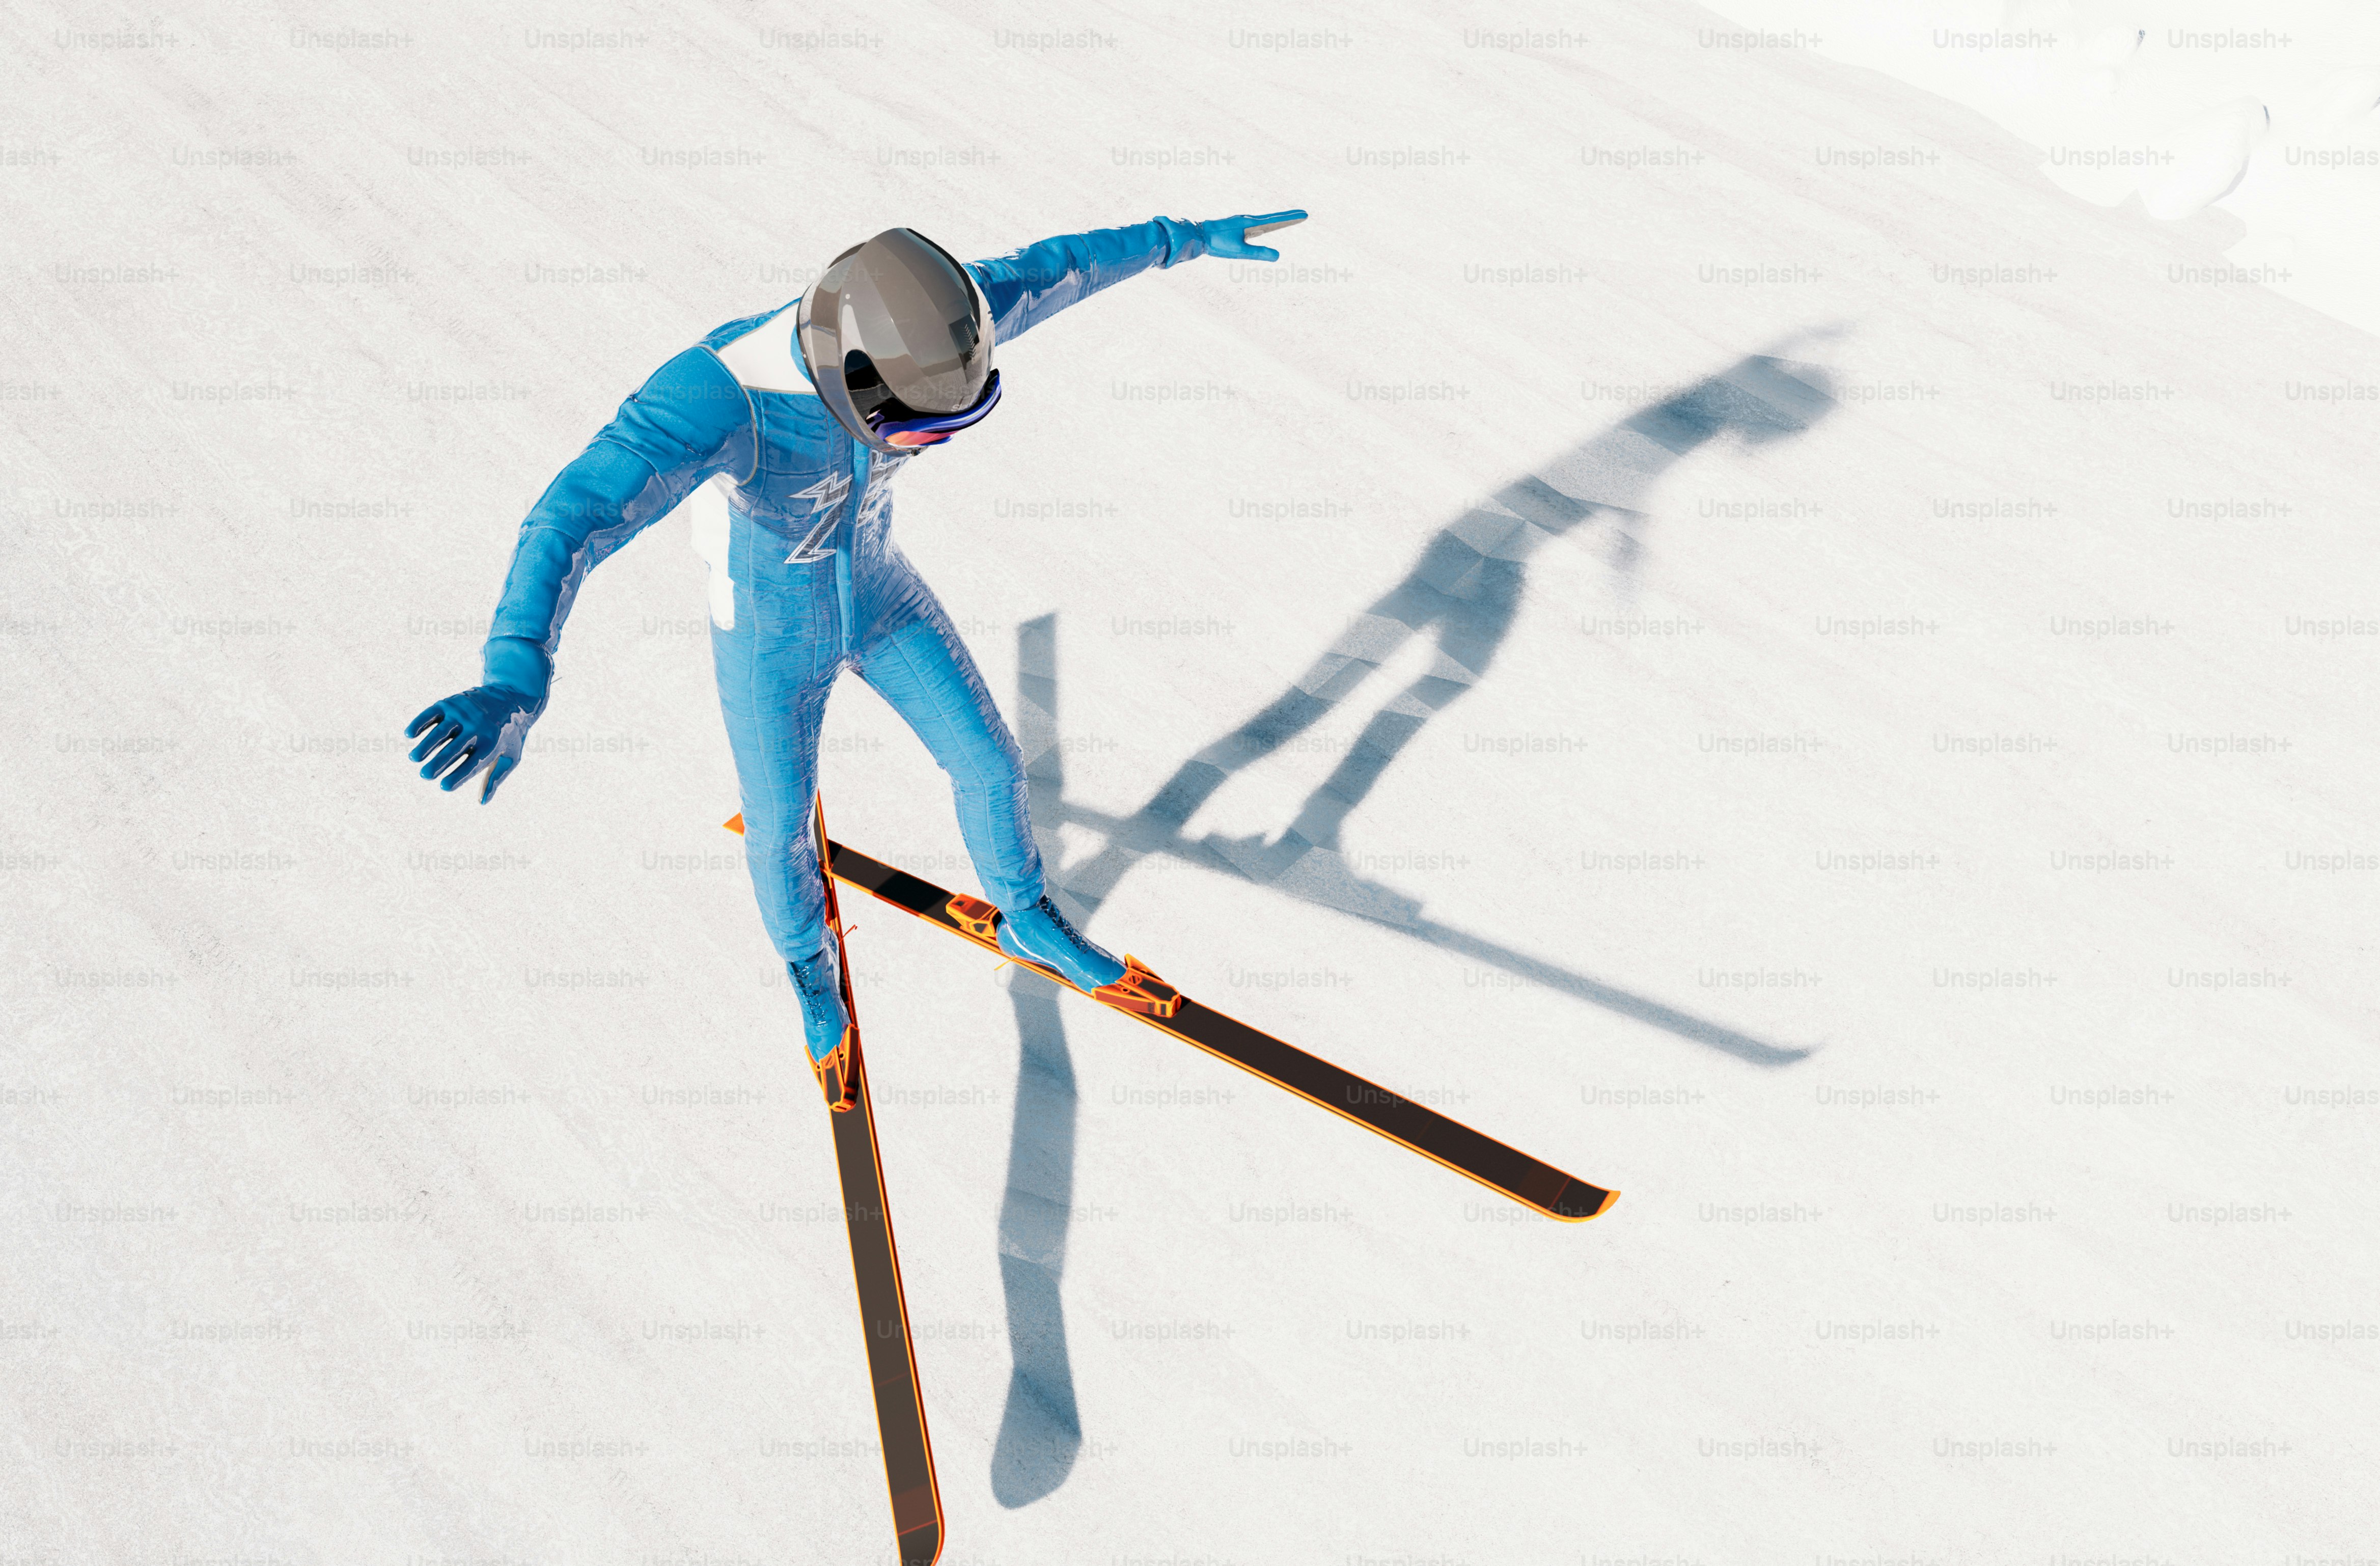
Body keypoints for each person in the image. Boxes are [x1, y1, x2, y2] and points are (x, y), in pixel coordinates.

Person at [403, 210, 1307, 1105]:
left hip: (878, 594)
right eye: (924, 428)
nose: (937, 443)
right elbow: (570, 519)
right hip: (767, 638)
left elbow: (1061, 267)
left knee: (989, 764)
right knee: (782, 825)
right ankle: (807, 968)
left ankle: (1025, 917)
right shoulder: (715, 396)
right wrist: (516, 670)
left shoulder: (937, 323)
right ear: (857, 385)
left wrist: (1176, 238)